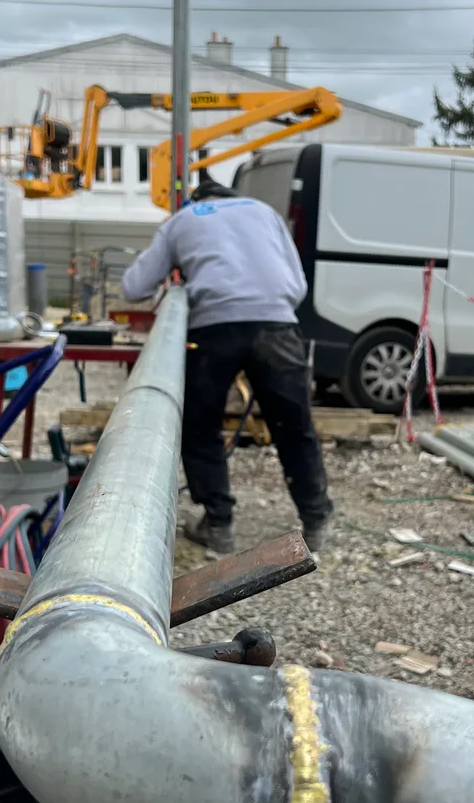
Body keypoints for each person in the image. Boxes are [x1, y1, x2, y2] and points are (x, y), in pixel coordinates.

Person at [121, 174, 333, 554]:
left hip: (213, 330)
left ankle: (219, 525)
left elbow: (134, 287)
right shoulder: (265, 212)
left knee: (202, 427)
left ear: (196, 199)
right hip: (278, 326)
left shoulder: (182, 220)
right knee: (294, 425)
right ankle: (316, 521)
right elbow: (297, 286)